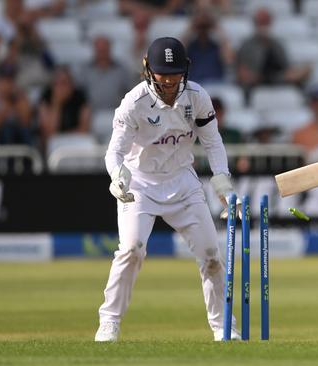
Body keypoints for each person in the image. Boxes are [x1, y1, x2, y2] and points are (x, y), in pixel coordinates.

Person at [95, 37, 242, 342]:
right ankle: (109, 322)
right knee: (132, 249)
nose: (171, 81)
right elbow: (114, 153)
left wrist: (222, 183)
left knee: (212, 255)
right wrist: (117, 177)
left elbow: (212, 142)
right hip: (140, 184)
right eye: (164, 75)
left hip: (183, 181)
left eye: (176, 74)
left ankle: (224, 329)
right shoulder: (133, 103)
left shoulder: (197, 97)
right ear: (149, 71)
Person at [235, 7, 311, 102]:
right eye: (261, 22)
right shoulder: (246, 46)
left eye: (266, 21)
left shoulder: (277, 45)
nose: (264, 26)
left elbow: (286, 69)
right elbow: (242, 73)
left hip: (279, 82)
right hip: (255, 87)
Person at [0, 63, 33, 146]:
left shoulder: (18, 95)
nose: (8, 84)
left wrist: (18, 101)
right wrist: (5, 111)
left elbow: (26, 122)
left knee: (24, 132)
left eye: (11, 79)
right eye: (5, 79)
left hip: (17, 137)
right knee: (7, 130)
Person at [37, 66, 91, 146]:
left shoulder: (80, 97)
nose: (60, 87)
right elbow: (48, 134)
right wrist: (56, 104)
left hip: (76, 140)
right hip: (55, 142)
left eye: (64, 83)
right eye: (56, 83)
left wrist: (66, 136)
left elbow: (84, 128)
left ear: (71, 84)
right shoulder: (46, 97)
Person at [78, 36, 134, 111]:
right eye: (99, 50)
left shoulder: (121, 70)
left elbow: (130, 92)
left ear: (109, 49)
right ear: (94, 50)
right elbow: (80, 93)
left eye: (104, 50)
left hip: (116, 114)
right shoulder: (85, 71)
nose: (102, 53)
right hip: (90, 116)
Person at [181, 7, 233, 85]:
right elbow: (178, 55)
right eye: (201, 27)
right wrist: (192, 27)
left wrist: (217, 28)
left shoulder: (217, 46)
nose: (203, 30)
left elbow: (228, 60)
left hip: (215, 85)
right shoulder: (190, 46)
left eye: (205, 27)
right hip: (193, 84)